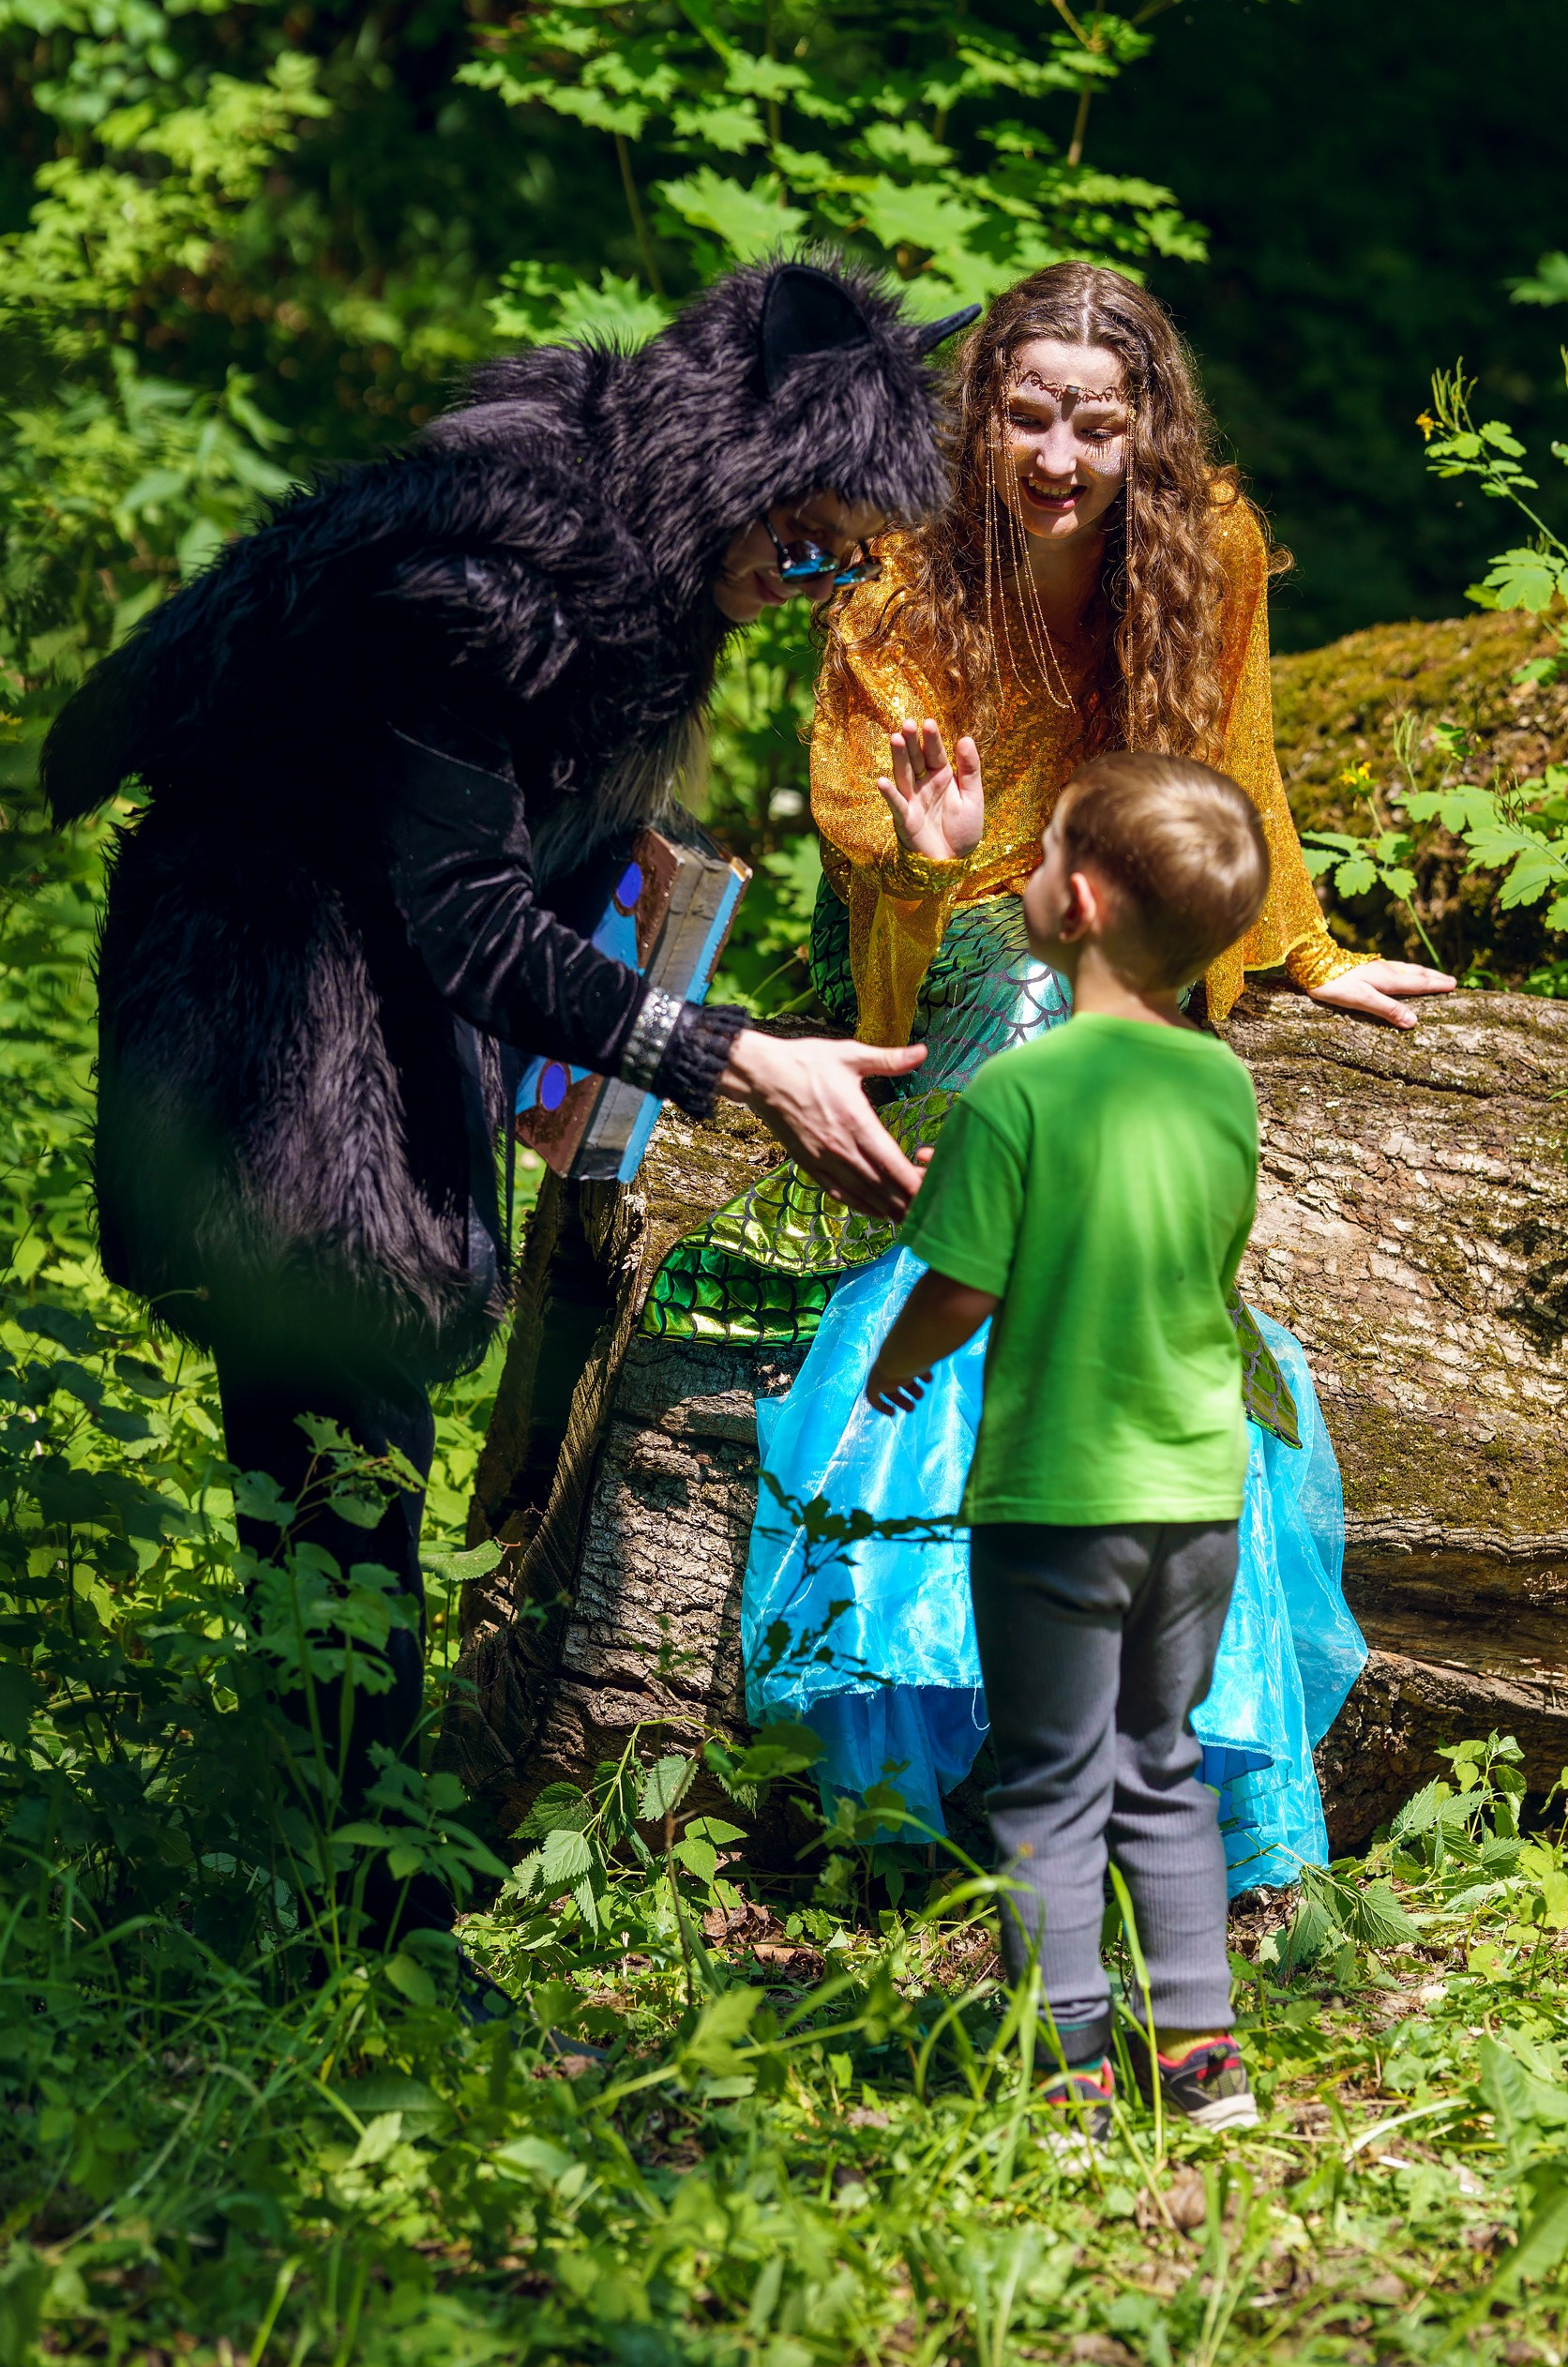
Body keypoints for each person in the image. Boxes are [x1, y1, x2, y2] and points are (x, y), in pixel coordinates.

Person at [40, 253, 972, 1941]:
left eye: (844, 554)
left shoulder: (634, 547)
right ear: (730, 466)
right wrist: (729, 1057)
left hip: (376, 989)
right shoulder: (496, 575)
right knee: (343, 1452)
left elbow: (508, 840)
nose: (812, 584)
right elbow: (465, 913)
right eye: (803, 542)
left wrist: (603, 940)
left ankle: (339, 1878)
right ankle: (360, 1926)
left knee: (353, 1455)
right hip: (269, 1009)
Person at [650, 261, 1448, 1884]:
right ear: (981, 416)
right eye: (1027, 418)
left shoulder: (1210, 548)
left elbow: (1242, 768)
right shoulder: (896, 578)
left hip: (1126, 943)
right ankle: (929, 1718)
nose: (1059, 458)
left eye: (1097, 424)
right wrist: (937, 861)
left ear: (1149, 427)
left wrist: (1302, 950)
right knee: (1023, 1101)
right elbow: (876, 862)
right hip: (956, 938)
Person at [865, 751, 1273, 2131]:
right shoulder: (1222, 1088)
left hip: (1057, 1496)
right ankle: (1202, 2063)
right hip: (1197, 1494)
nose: (1026, 875)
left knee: (1049, 1781)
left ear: (1079, 904)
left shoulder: (1018, 1094)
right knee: (1161, 1764)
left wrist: (894, 1363)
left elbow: (961, 1287)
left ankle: (1067, 2075)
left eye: (1039, 856)